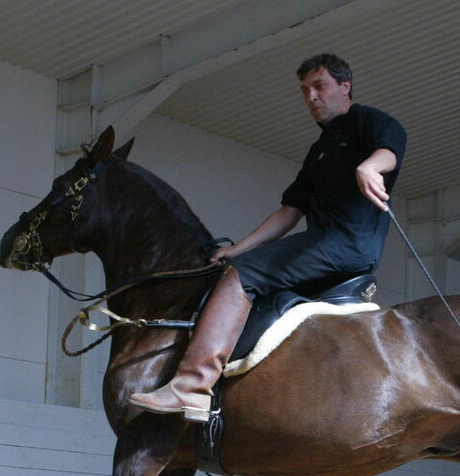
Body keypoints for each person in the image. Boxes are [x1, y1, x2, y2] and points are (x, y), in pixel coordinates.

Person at [128, 53, 407, 420]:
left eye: (319, 86)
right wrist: (239, 248)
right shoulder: (319, 151)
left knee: (240, 277)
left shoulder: (367, 121)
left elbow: (391, 146)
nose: (312, 97)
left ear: (345, 86)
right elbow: (289, 212)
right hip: (321, 244)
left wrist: (370, 166)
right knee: (241, 265)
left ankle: (191, 387)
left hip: (344, 244)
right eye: (305, 91)